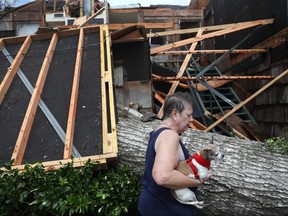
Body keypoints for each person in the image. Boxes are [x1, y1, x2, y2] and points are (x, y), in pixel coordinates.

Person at [137, 92, 212, 216]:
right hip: (164, 209)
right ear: (175, 114)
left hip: (156, 207)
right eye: (188, 115)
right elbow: (163, 176)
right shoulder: (170, 136)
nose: (191, 119)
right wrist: (197, 181)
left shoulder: (159, 131)